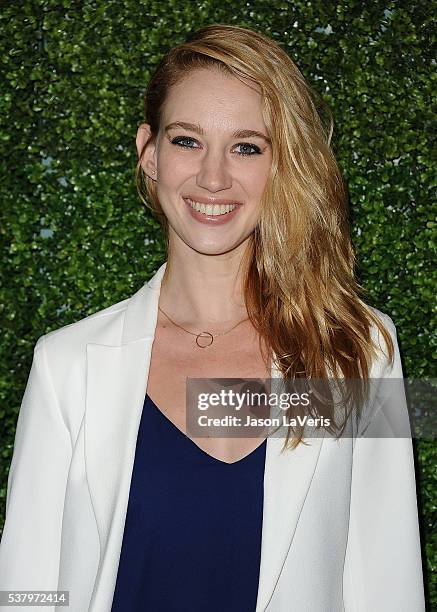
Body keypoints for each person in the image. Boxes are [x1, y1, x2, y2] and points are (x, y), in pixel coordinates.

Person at [0, 23, 425, 612]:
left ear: (281, 166)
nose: (214, 177)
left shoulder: (358, 350)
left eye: (247, 146)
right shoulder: (66, 366)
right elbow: (25, 590)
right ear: (148, 153)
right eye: (187, 141)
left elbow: (388, 583)